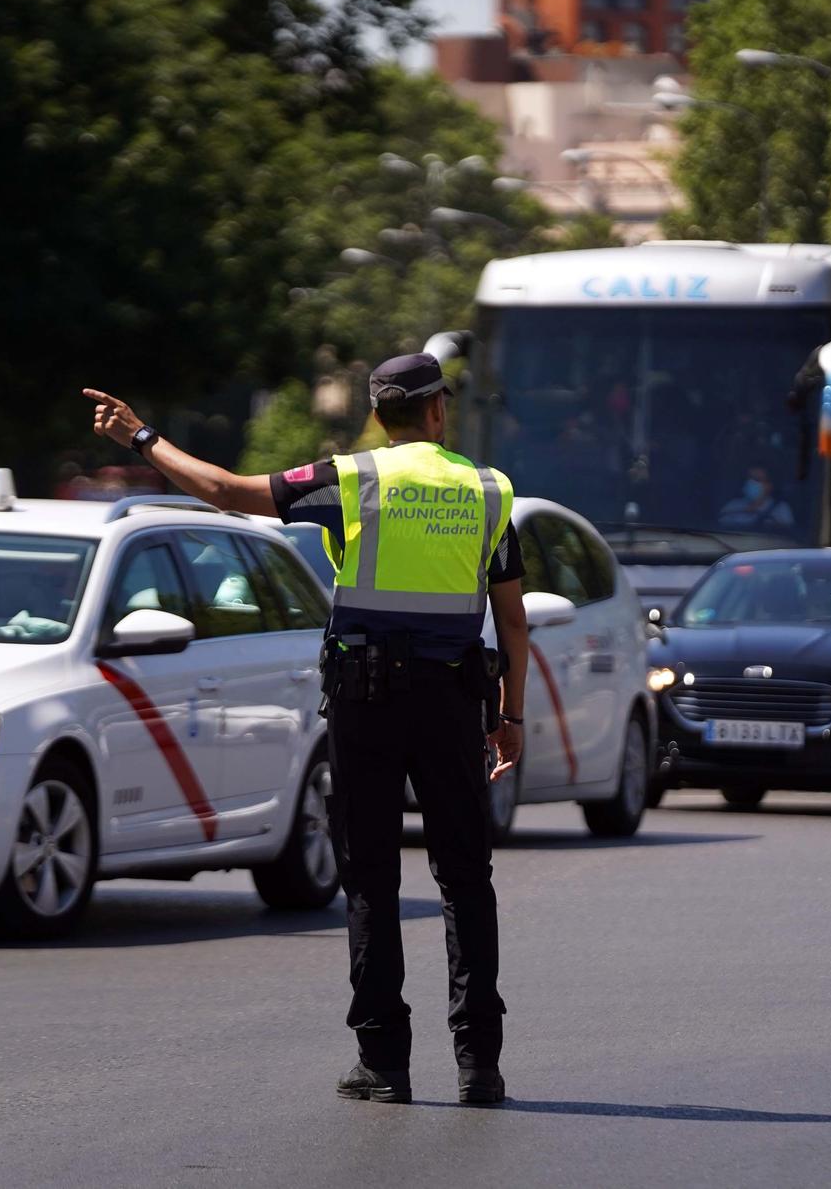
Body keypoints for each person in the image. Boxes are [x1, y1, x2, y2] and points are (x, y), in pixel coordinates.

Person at [85, 352, 528, 1107]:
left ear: (380, 415)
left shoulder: (349, 478)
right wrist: (511, 716)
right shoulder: (488, 490)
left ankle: (384, 1063)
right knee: (465, 878)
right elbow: (512, 616)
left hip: (367, 700)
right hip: (454, 703)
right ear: (437, 410)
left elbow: (225, 491)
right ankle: (478, 1064)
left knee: (370, 876)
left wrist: (141, 437)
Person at [718, 465, 794, 532]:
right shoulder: (733, 505)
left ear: (769, 486)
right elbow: (720, 528)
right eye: (749, 478)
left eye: (757, 479)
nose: (751, 482)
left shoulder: (781, 509)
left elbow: (787, 535)